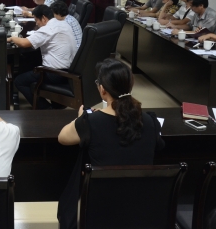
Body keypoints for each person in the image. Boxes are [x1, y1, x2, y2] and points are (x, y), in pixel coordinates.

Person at [56, 58, 164, 229]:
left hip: (101, 207)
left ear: (102, 89)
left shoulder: (91, 122)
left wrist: (81, 118)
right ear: (131, 85)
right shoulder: (150, 121)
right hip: (141, 206)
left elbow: (62, 138)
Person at [10, 5, 77, 109]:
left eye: (36, 20)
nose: (36, 23)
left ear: (44, 18)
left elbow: (24, 43)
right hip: (70, 71)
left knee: (19, 81)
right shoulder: (64, 24)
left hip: (55, 73)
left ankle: (46, 110)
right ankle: (55, 106)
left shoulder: (48, 29)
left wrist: (12, 38)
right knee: (32, 63)